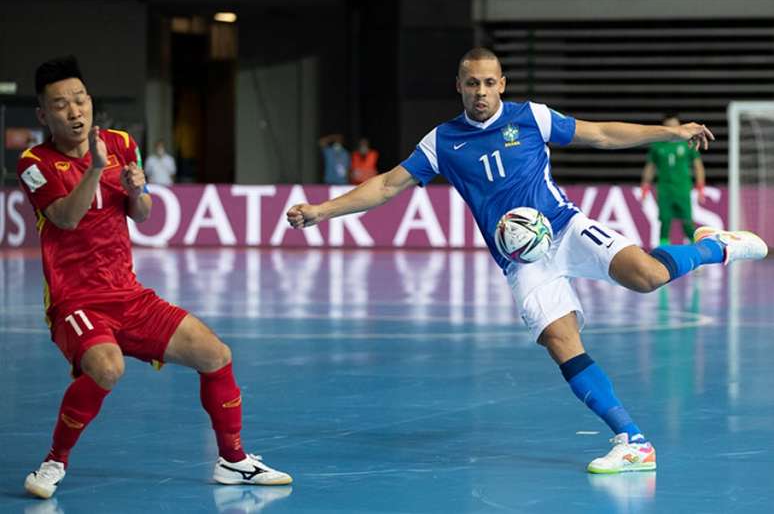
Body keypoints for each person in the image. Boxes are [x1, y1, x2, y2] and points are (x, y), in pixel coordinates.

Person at [287, 48, 768, 474]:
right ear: (458, 86)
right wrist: (321, 211)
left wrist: (668, 134)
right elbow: (388, 184)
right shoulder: (443, 142)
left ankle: (715, 245)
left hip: (563, 227)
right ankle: (633, 441)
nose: (480, 91)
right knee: (561, 342)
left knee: (646, 276)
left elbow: (598, 133)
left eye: (489, 82)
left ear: (503, 84)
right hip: (521, 259)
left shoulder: (529, 118)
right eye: (471, 83)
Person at [17, 56, 291, 500]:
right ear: (43, 115)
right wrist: (93, 170)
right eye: (61, 104)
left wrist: (137, 189)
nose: (75, 111)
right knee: (107, 368)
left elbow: (141, 215)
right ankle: (54, 461)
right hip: (76, 302)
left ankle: (234, 460)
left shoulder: (122, 143)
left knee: (215, 354)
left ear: (90, 101)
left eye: (81, 100)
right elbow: (65, 219)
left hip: (129, 294)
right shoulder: (35, 162)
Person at [640, 112, 706, 245]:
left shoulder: (688, 144)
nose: (674, 131)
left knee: (687, 222)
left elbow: (698, 166)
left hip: (682, 188)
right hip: (664, 189)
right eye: (670, 128)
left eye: (676, 127)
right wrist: (645, 187)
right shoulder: (657, 145)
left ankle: (698, 249)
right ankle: (664, 253)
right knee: (664, 221)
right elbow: (650, 167)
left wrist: (700, 188)